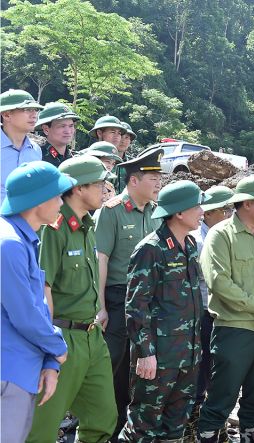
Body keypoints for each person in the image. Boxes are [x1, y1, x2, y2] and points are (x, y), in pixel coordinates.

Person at [26, 157, 118, 443]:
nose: (106, 189)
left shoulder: (88, 226)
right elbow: (43, 291)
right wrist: (50, 346)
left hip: (92, 337)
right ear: (78, 189)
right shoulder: (53, 229)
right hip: (63, 338)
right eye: (100, 184)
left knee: (103, 418)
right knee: (42, 427)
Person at [197, 176, 254, 442]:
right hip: (234, 330)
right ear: (247, 203)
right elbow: (218, 282)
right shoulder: (220, 235)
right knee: (220, 401)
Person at [119, 181, 204, 440]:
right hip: (158, 358)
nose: (202, 211)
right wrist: (145, 354)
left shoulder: (189, 245)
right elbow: (136, 306)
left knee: (175, 427)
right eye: (197, 205)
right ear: (179, 212)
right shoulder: (150, 249)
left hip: (187, 355)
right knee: (143, 427)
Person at [93, 148, 164, 438]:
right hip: (119, 298)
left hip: (149, 301)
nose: (159, 182)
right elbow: (101, 260)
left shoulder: (156, 212)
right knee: (113, 366)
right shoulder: (111, 212)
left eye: (160, 177)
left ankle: (129, 429)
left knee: (140, 370)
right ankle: (101, 428)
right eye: (154, 177)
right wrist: (100, 306)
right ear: (134, 181)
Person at [1, 161, 72, 443]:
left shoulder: (23, 239)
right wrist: (57, 348)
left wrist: (50, 362)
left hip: (22, 368)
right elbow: (25, 314)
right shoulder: (9, 245)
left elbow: (37, 308)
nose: (60, 202)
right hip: (9, 372)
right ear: (37, 202)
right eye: (56, 196)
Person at [185, 185, 234, 436]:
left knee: (217, 376)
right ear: (208, 213)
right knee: (200, 377)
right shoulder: (198, 240)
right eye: (224, 209)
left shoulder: (223, 236)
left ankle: (215, 428)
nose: (229, 214)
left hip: (218, 316)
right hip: (202, 316)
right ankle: (195, 431)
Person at [1, 89, 44, 204]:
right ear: (6, 115)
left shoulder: (35, 150)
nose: (34, 115)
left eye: (36, 110)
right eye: (27, 110)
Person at [89, 115, 128, 194]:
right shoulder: (86, 157)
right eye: (112, 132)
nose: (117, 137)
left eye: (119, 133)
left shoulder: (119, 161)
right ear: (99, 133)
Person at [35, 102, 80, 168]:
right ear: (46, 129)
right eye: (62, 126)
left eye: (71, 126)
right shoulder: (36, 156)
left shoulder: (76, 159)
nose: (68, 131)